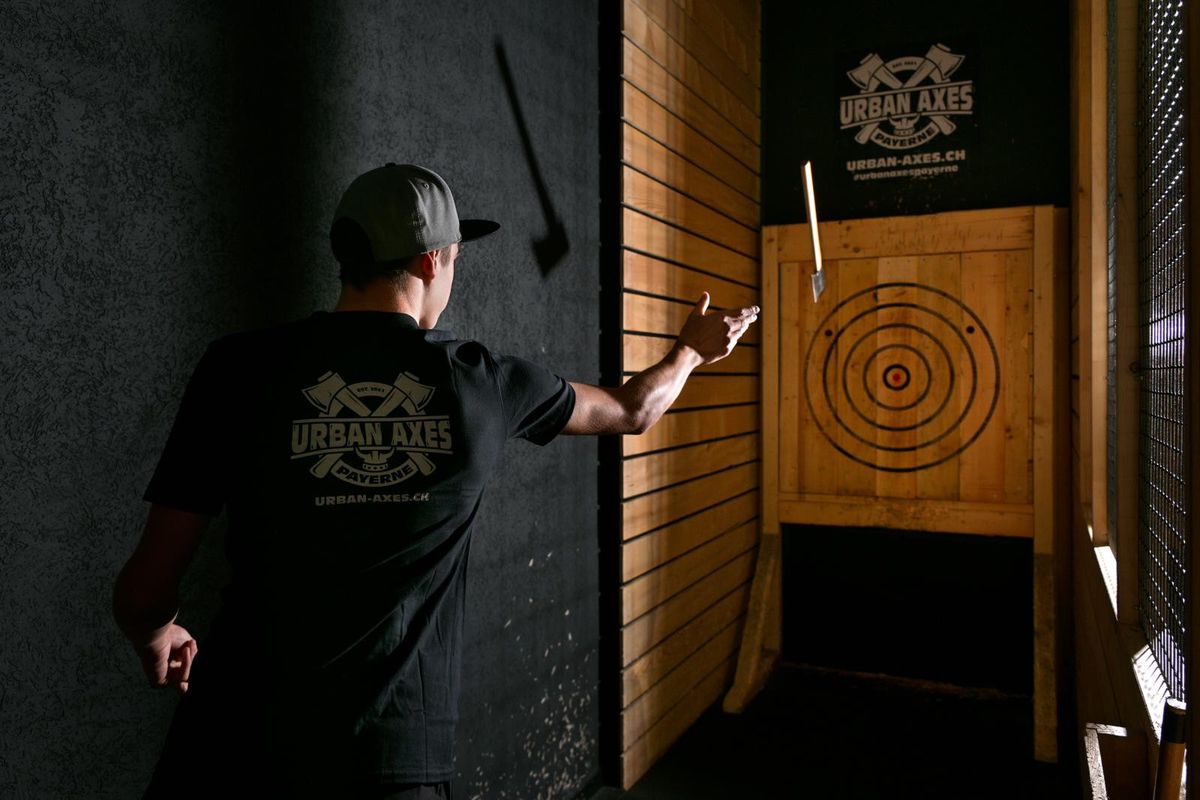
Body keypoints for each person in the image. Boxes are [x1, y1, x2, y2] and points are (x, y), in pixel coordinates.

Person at [112, 163, 759, 798]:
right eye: (454, 259)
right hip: (390, 759)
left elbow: (145, 590)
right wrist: (693, 351)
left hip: (228, 743)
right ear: (430, 262)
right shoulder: (485, 383)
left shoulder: (238, 368)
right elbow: (632, 410)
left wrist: (156, 630)